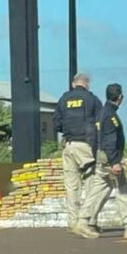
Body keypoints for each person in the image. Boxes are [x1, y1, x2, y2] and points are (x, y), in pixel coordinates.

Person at [75, 83, 127, 240]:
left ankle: (83, 221)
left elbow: (96, 139)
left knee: (99, 190)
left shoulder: (101, 113)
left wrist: (97, 157)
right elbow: (110, 140)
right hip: (111, 159)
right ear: (120, 98)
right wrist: (114, 162)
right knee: (124, 191)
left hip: (101, 157)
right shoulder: (111, 116)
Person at [53, 73, 103, 232]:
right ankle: (89, 222)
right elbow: (101, 122)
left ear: (74, 84)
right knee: (91, 185)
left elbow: (56, 123)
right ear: (87, 84)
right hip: (87, 147)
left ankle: (73, 222)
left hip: (69, 146)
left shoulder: (64, 99)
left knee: (72, 186)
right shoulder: (92, 99)